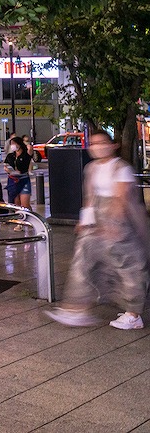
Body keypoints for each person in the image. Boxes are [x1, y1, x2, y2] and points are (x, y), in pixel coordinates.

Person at [45, 131, 150, 330]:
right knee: (83, 260)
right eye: (93, 143)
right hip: (98, 220)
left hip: (124, 222)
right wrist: (84, 220)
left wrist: (113, 226)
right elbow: (90, 196)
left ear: (113, 145)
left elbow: (121, 199)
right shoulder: (91, 168)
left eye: (102, 143)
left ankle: (134, 314)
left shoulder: (121, 168)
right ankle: (76, 308)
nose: (97, 147)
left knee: (128, 266)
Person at [4, 136, 32, 231]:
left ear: (19, 144)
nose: (12, 146)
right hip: (13, 180)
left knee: (25, 204)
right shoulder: (10, 156)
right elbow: (6, 165)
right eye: (11, 144)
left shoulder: (25, 155)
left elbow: (30, 152)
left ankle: (30, 218)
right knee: (17, 204)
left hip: (23, 179)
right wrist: (8, 169)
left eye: (14, 144)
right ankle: (20, 222)